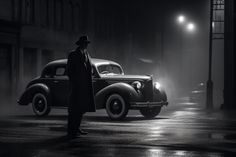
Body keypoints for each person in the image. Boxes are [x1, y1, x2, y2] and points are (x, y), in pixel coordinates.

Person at [66, 35, 96, 139]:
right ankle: (71, 130)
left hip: (84, 87)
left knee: (81, 109)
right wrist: (75, 81)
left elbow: (90, 68)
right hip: (76, 87)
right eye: (84, 43)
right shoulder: (73, 55)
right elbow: (69, 71)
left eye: (87, 43)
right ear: (80, 44)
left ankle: (77, 127)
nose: (86, 45)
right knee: (73, 109)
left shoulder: (87, 54)